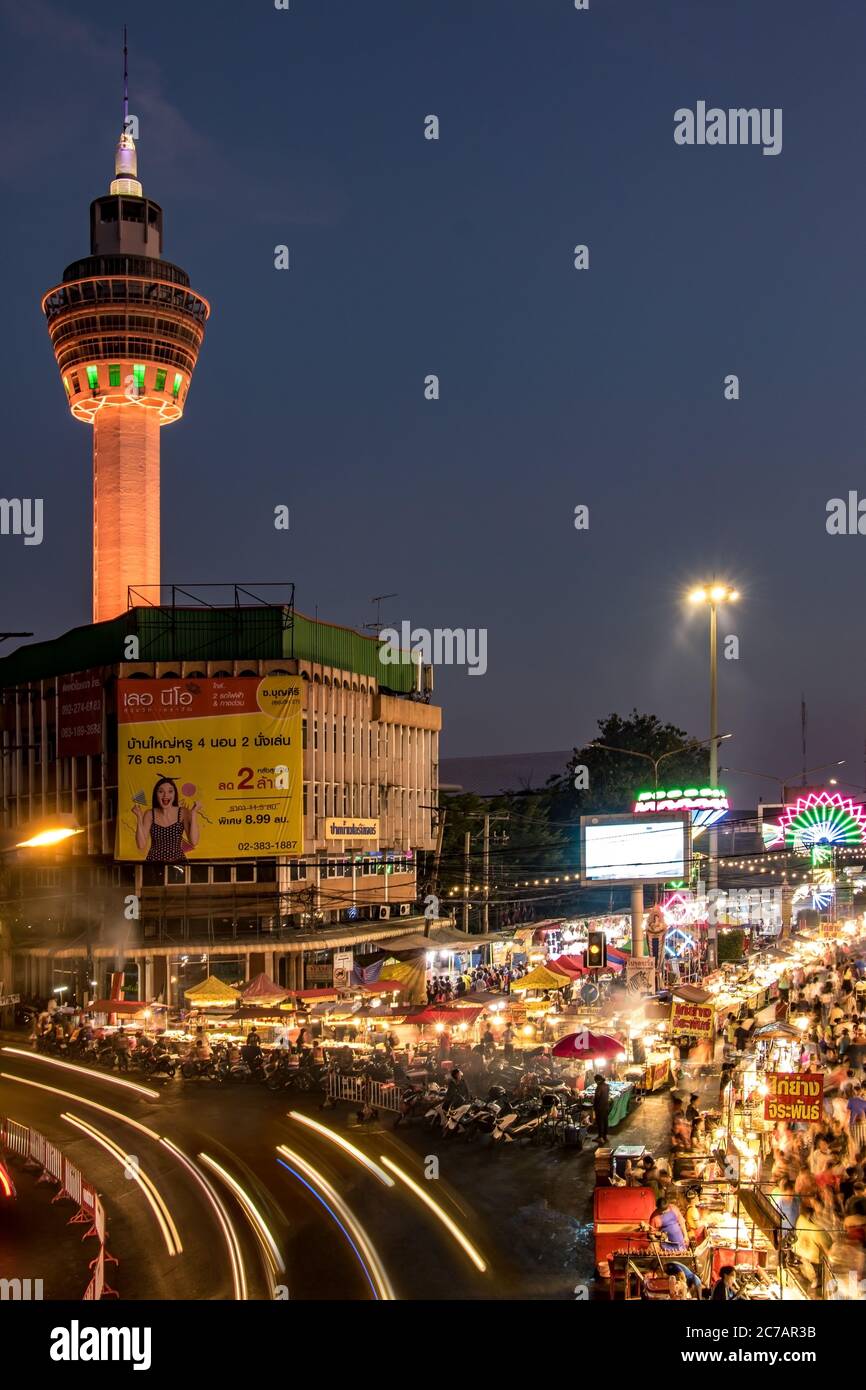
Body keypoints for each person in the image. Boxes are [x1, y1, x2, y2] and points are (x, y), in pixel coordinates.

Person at [134, 776, 202, 862]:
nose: (166, 795)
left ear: (174, 794)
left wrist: (193, 813)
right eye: (161, 791)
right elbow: (141, 845)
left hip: (178, 863)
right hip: (154, 864)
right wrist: (139, 817)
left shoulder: (183, 812)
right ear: (156, 794)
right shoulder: (150, 814)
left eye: (170, 791)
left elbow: (194, 841)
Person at [593, 1072, 610, 1145]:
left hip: (599, 1107)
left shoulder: (599, 1087)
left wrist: (594, 1105)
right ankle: (605, 1136)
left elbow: (597, 1097)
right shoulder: (607, 1085)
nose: (595, 1082)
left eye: (595, 1081)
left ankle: (601, 1138)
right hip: (606, 1106)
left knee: (600, 1122)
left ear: (598, 1080)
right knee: (605, 1121)